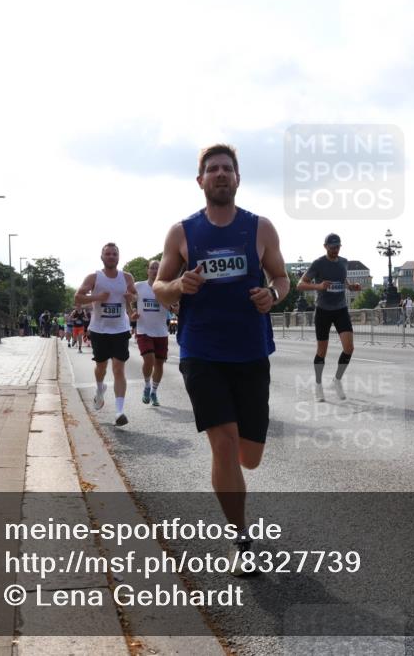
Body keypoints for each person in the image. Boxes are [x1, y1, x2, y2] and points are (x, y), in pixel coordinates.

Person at [154, 143, 289, 572]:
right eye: (211, 169)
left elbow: (284, 278)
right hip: (202, 352)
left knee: (250, 456)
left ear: (237, 178)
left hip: (250, 351)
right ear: (200, 181)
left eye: (226, 168)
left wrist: (273, 295)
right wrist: (179, 287)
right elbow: (158, 285)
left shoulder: (260, 228)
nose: (219, 174)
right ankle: (240, 538)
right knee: (224, 444)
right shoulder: (182, 232)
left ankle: (233, 486)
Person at [75, 243, 137, 427]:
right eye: (108, 254)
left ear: (119, 257)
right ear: (102, 257)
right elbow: (77, 297)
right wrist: (96, 298)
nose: (111, 257)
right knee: (101, 367)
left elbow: (134, 296)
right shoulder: (94, 277)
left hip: (120, 329)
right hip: (99, 329)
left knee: (118, 368)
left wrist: (130, 299)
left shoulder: (126, 277)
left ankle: (119, 411)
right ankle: (100, 388)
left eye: (114, 254)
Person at [296, 233, 362, 402]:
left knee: (349, 348)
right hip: (323, 310)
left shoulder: (344, 262)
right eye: (332, 247)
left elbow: (343, 279)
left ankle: (337, 380)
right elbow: (300, 285)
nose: (335, 250)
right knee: (321, 351)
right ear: (325, 246)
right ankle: (318, 385)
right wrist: (318, 286)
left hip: (340, 309)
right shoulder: (318, 263)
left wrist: (351, 287)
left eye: (338, 247)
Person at [134, 260, 176, 407]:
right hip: (143, 330)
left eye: (157, 268)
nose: (154, 270)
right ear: (148, 271)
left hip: (161, 331)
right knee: (149, 360)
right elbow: (126, 298)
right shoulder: (139, 286)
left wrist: (165, 302)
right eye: (151, 268)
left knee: (159, 364)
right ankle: (146, 385)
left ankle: (154, 391)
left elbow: (175, 309)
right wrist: (131, 312)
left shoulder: (166, 288)